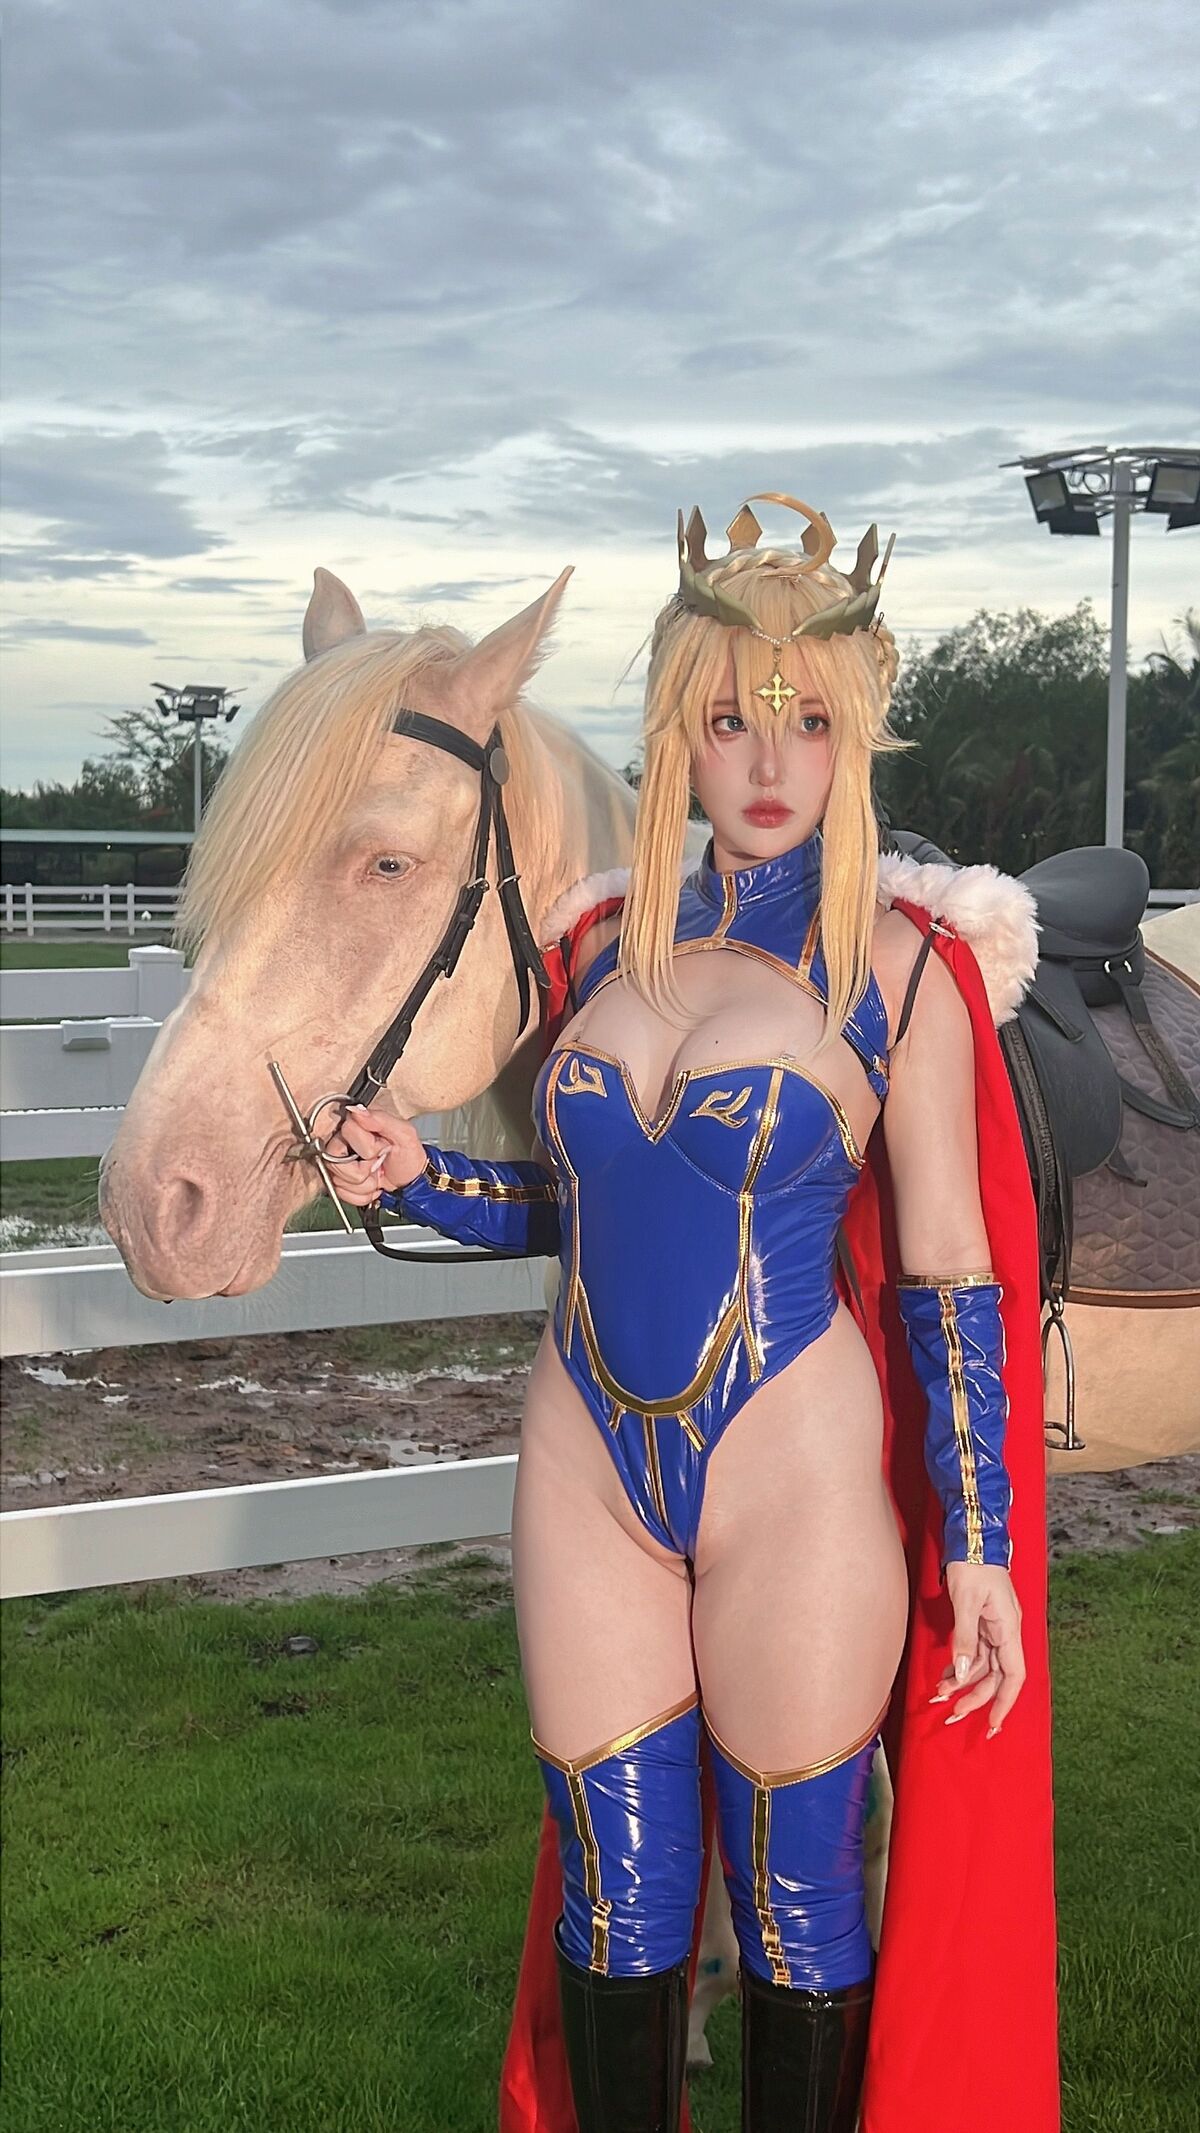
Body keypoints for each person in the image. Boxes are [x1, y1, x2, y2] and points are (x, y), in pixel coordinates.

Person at [333, 495, 1060, 2133]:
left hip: (794, 1480)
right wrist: (422, 1177)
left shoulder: (904, 968)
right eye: (730, 720)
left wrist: (980, 1544)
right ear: (679, 735)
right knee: (618, 1901)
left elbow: (951, 1274)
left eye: (810, 721)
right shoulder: (603, 944)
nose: (769, 759)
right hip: (586, 1469)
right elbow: (575, 1211)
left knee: (800, 1906)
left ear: (856, 735)